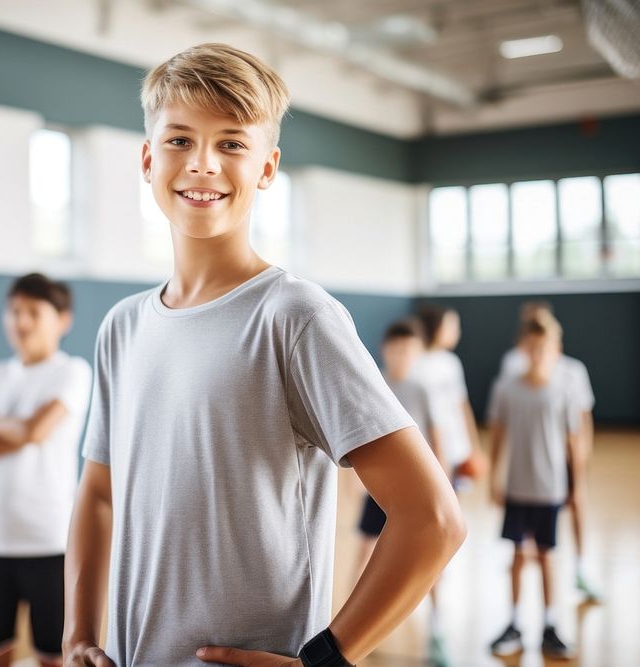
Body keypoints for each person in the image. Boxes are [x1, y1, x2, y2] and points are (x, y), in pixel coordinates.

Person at [62, 43, 465, 667]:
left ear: (268, 167)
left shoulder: (295, 317)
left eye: (230, 143)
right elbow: (98, 495)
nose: (201, 163)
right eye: (178, 141)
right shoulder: (121, 327)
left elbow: (433, 518)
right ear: (147, 158)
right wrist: (78, 637)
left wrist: (326, 660)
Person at [0, 274, 92, 667]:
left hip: (47, 539)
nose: (21, 321)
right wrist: (17, 429)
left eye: (33, 312)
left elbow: (36, 431)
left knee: (52, 655)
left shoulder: (72, 371)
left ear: (62, 320)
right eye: (15, 311)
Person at [352, 319, 451, 667]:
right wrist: (355, 483)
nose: (402, 355)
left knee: (428, 560)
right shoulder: (374, 384)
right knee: (364, 551)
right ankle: (347, 628)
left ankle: (437, 630)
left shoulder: (422, 389)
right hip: (378, 490)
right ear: (384, 350)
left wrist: (443, 482)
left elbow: (438, 437)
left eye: (409, 350)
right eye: (396, 349)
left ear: (419, 353)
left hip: (416, 492)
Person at [488, 313, 579, 660]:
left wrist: (576, 484)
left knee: (545, 555)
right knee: (517, 555)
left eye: (546, 348)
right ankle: (512, 622)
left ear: (556, 349)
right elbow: (497, 436)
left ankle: (550, 625)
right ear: (522, 348)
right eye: (533, 347)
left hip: (550, 488)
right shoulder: (507, 388)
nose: (539, 353)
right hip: (517, 487)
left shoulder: (563, 389)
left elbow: (573, 443)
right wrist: (495, 479)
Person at [498, 301, 599, 601]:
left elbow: (582, 420)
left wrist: (581, 458)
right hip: (527, 461)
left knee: (577, 503)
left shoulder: (572, 371)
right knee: (528, 526)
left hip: (563, 456)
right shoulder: (513, 366)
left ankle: (580, 568)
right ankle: (524, 558)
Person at [415, 306, 481, 490]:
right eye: (451, 326)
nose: (457, 332)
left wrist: (473, 445)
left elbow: (462, 405)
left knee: (453, 495)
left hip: (455, 446)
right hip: (427, 447)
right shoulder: (415, 363)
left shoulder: (451, 362)